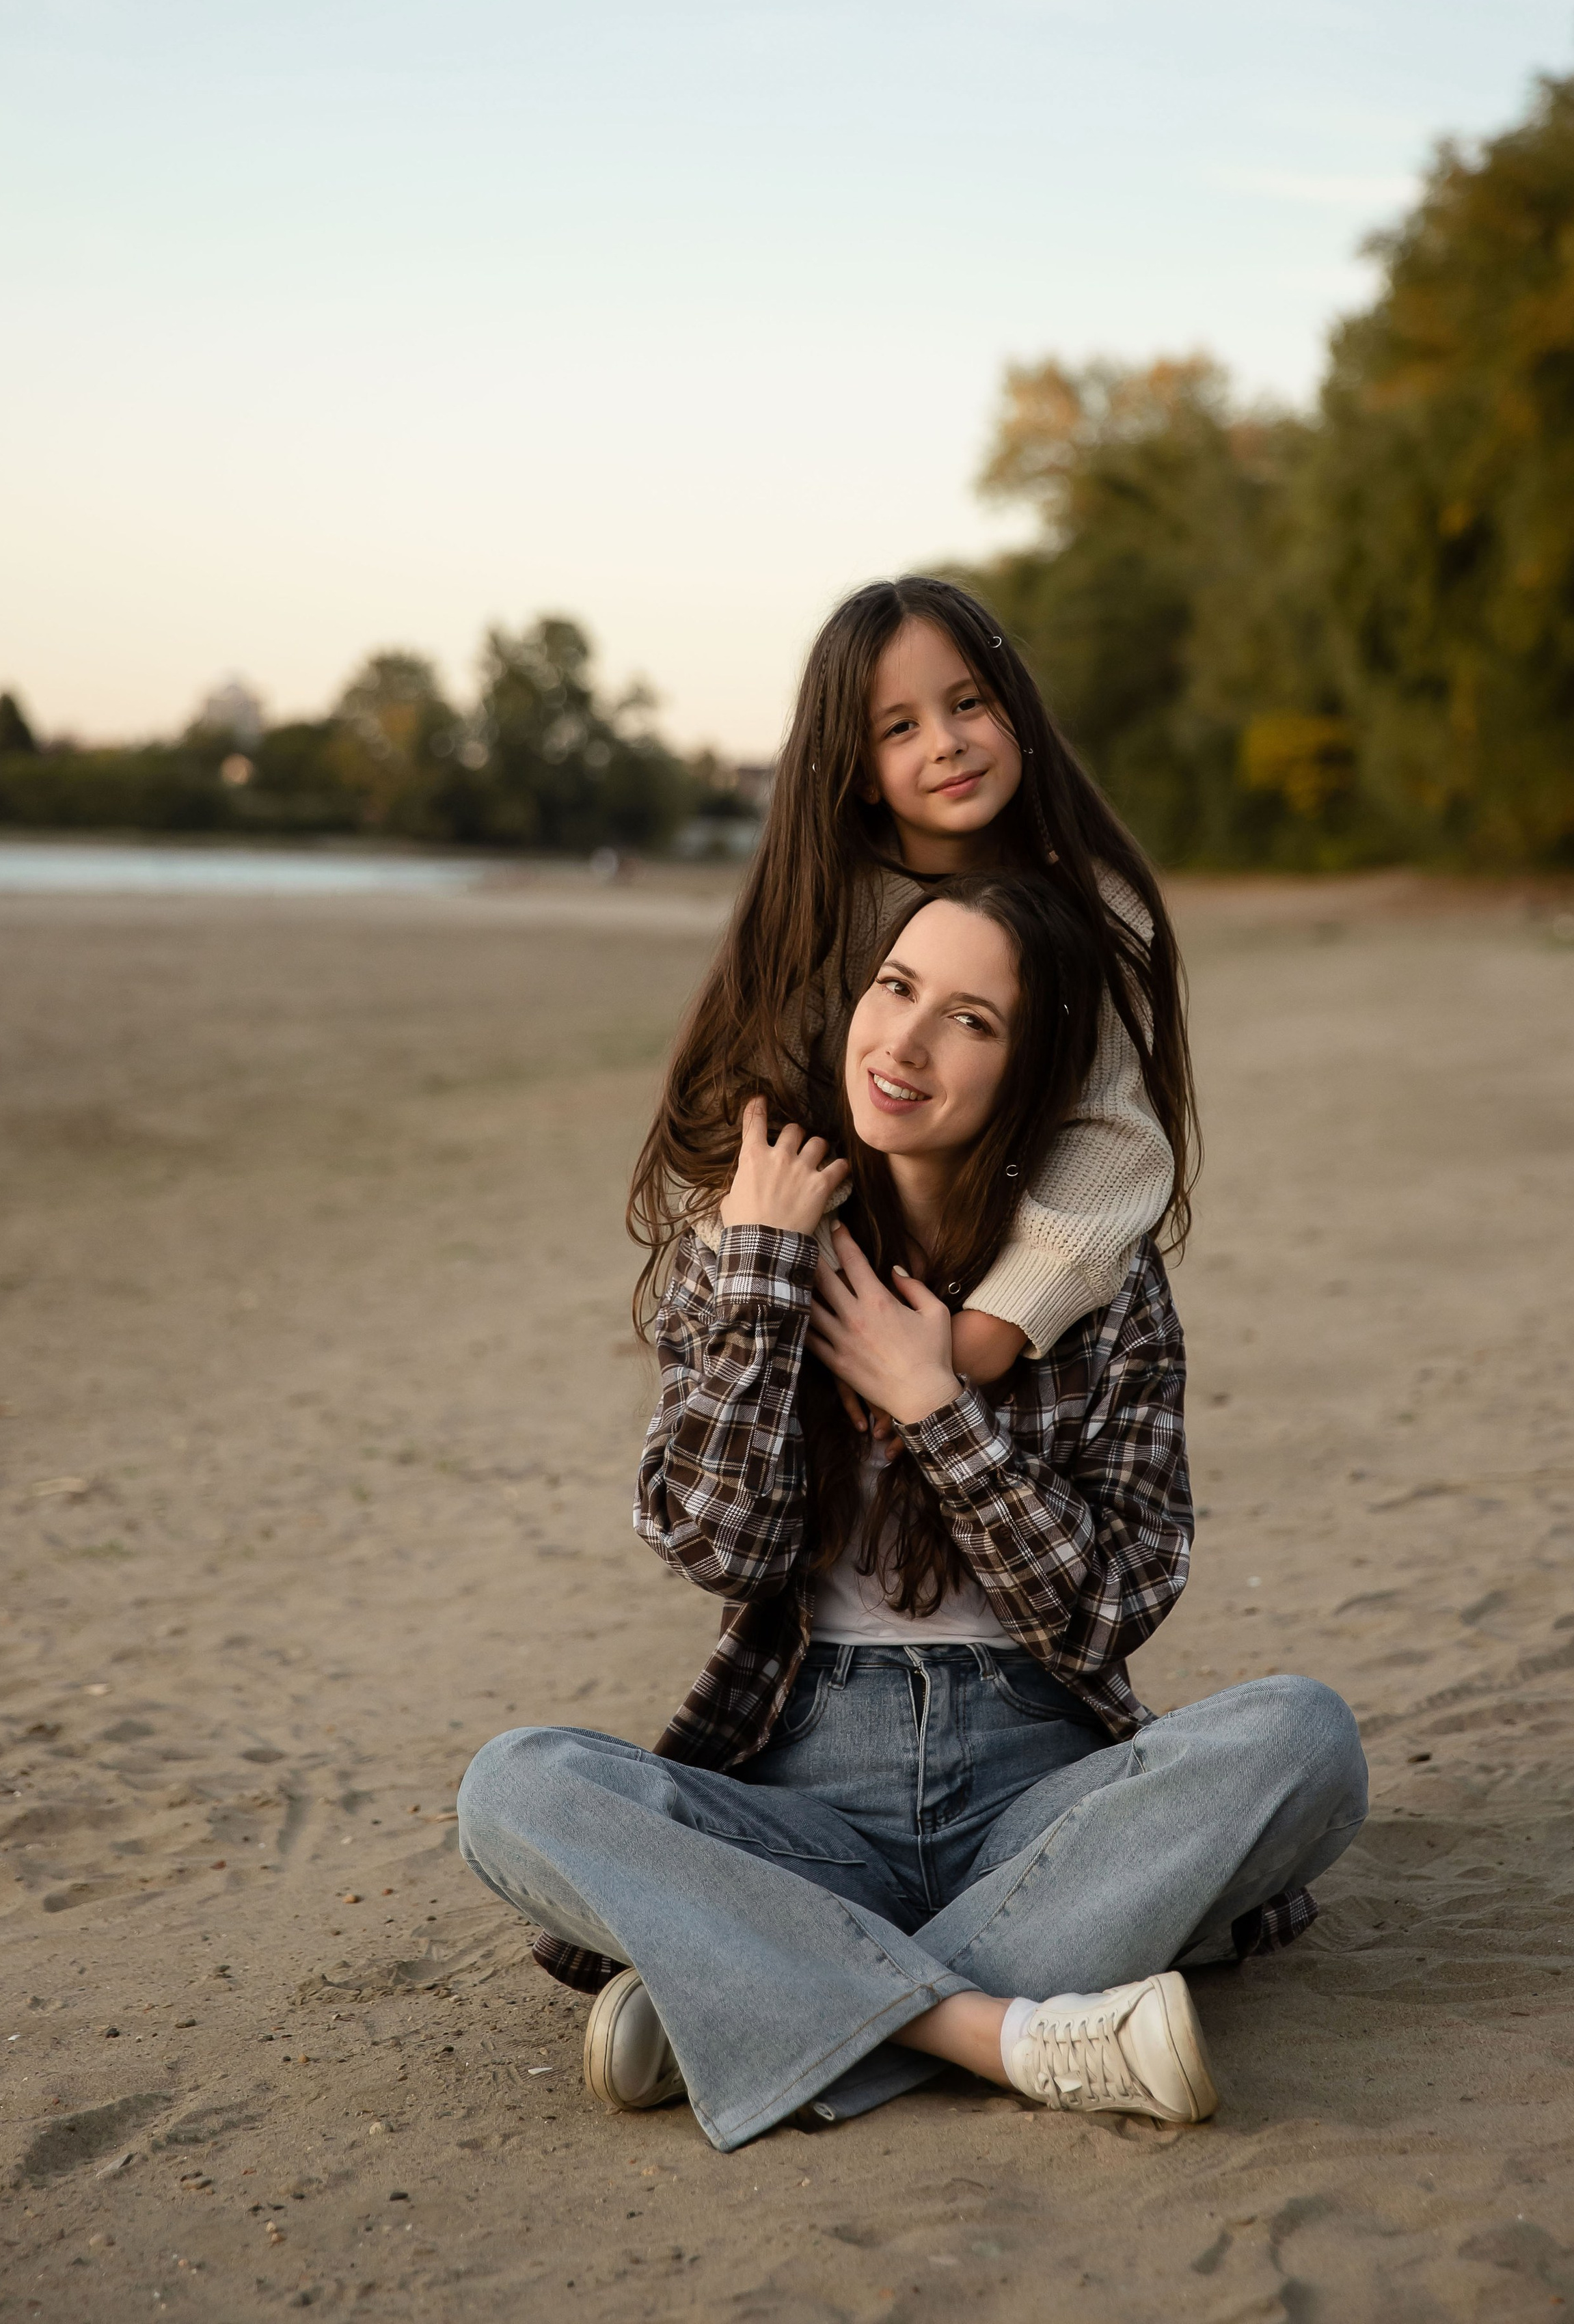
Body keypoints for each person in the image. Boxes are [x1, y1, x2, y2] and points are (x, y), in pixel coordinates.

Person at [457, 877, 1367, 2154]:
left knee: (1306, 1741)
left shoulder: (1098, 1287)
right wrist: (766, 1282)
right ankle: (990, 2029)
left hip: (1041, 1796)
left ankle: (761, 1994)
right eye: (896, 989)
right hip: (802, 1800)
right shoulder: (756, 1239)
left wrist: (936, 1405)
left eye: (972, 1021)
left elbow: (1107, 1609)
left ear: (1030, 1076)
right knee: (516, 1788)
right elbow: (717, 1545)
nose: (907, 1042)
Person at [629, 574, 1195, 1396]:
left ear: (1018, 708)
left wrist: (981, 1336)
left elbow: (1115, 1134)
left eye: (968, 703)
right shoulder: (822, 907)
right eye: (900, 727)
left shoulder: (1095, 904)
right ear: (860, 771)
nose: (946, 742)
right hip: (820, 1297)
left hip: (1010, 1316)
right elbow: (746, 1113)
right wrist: (846, 1314)